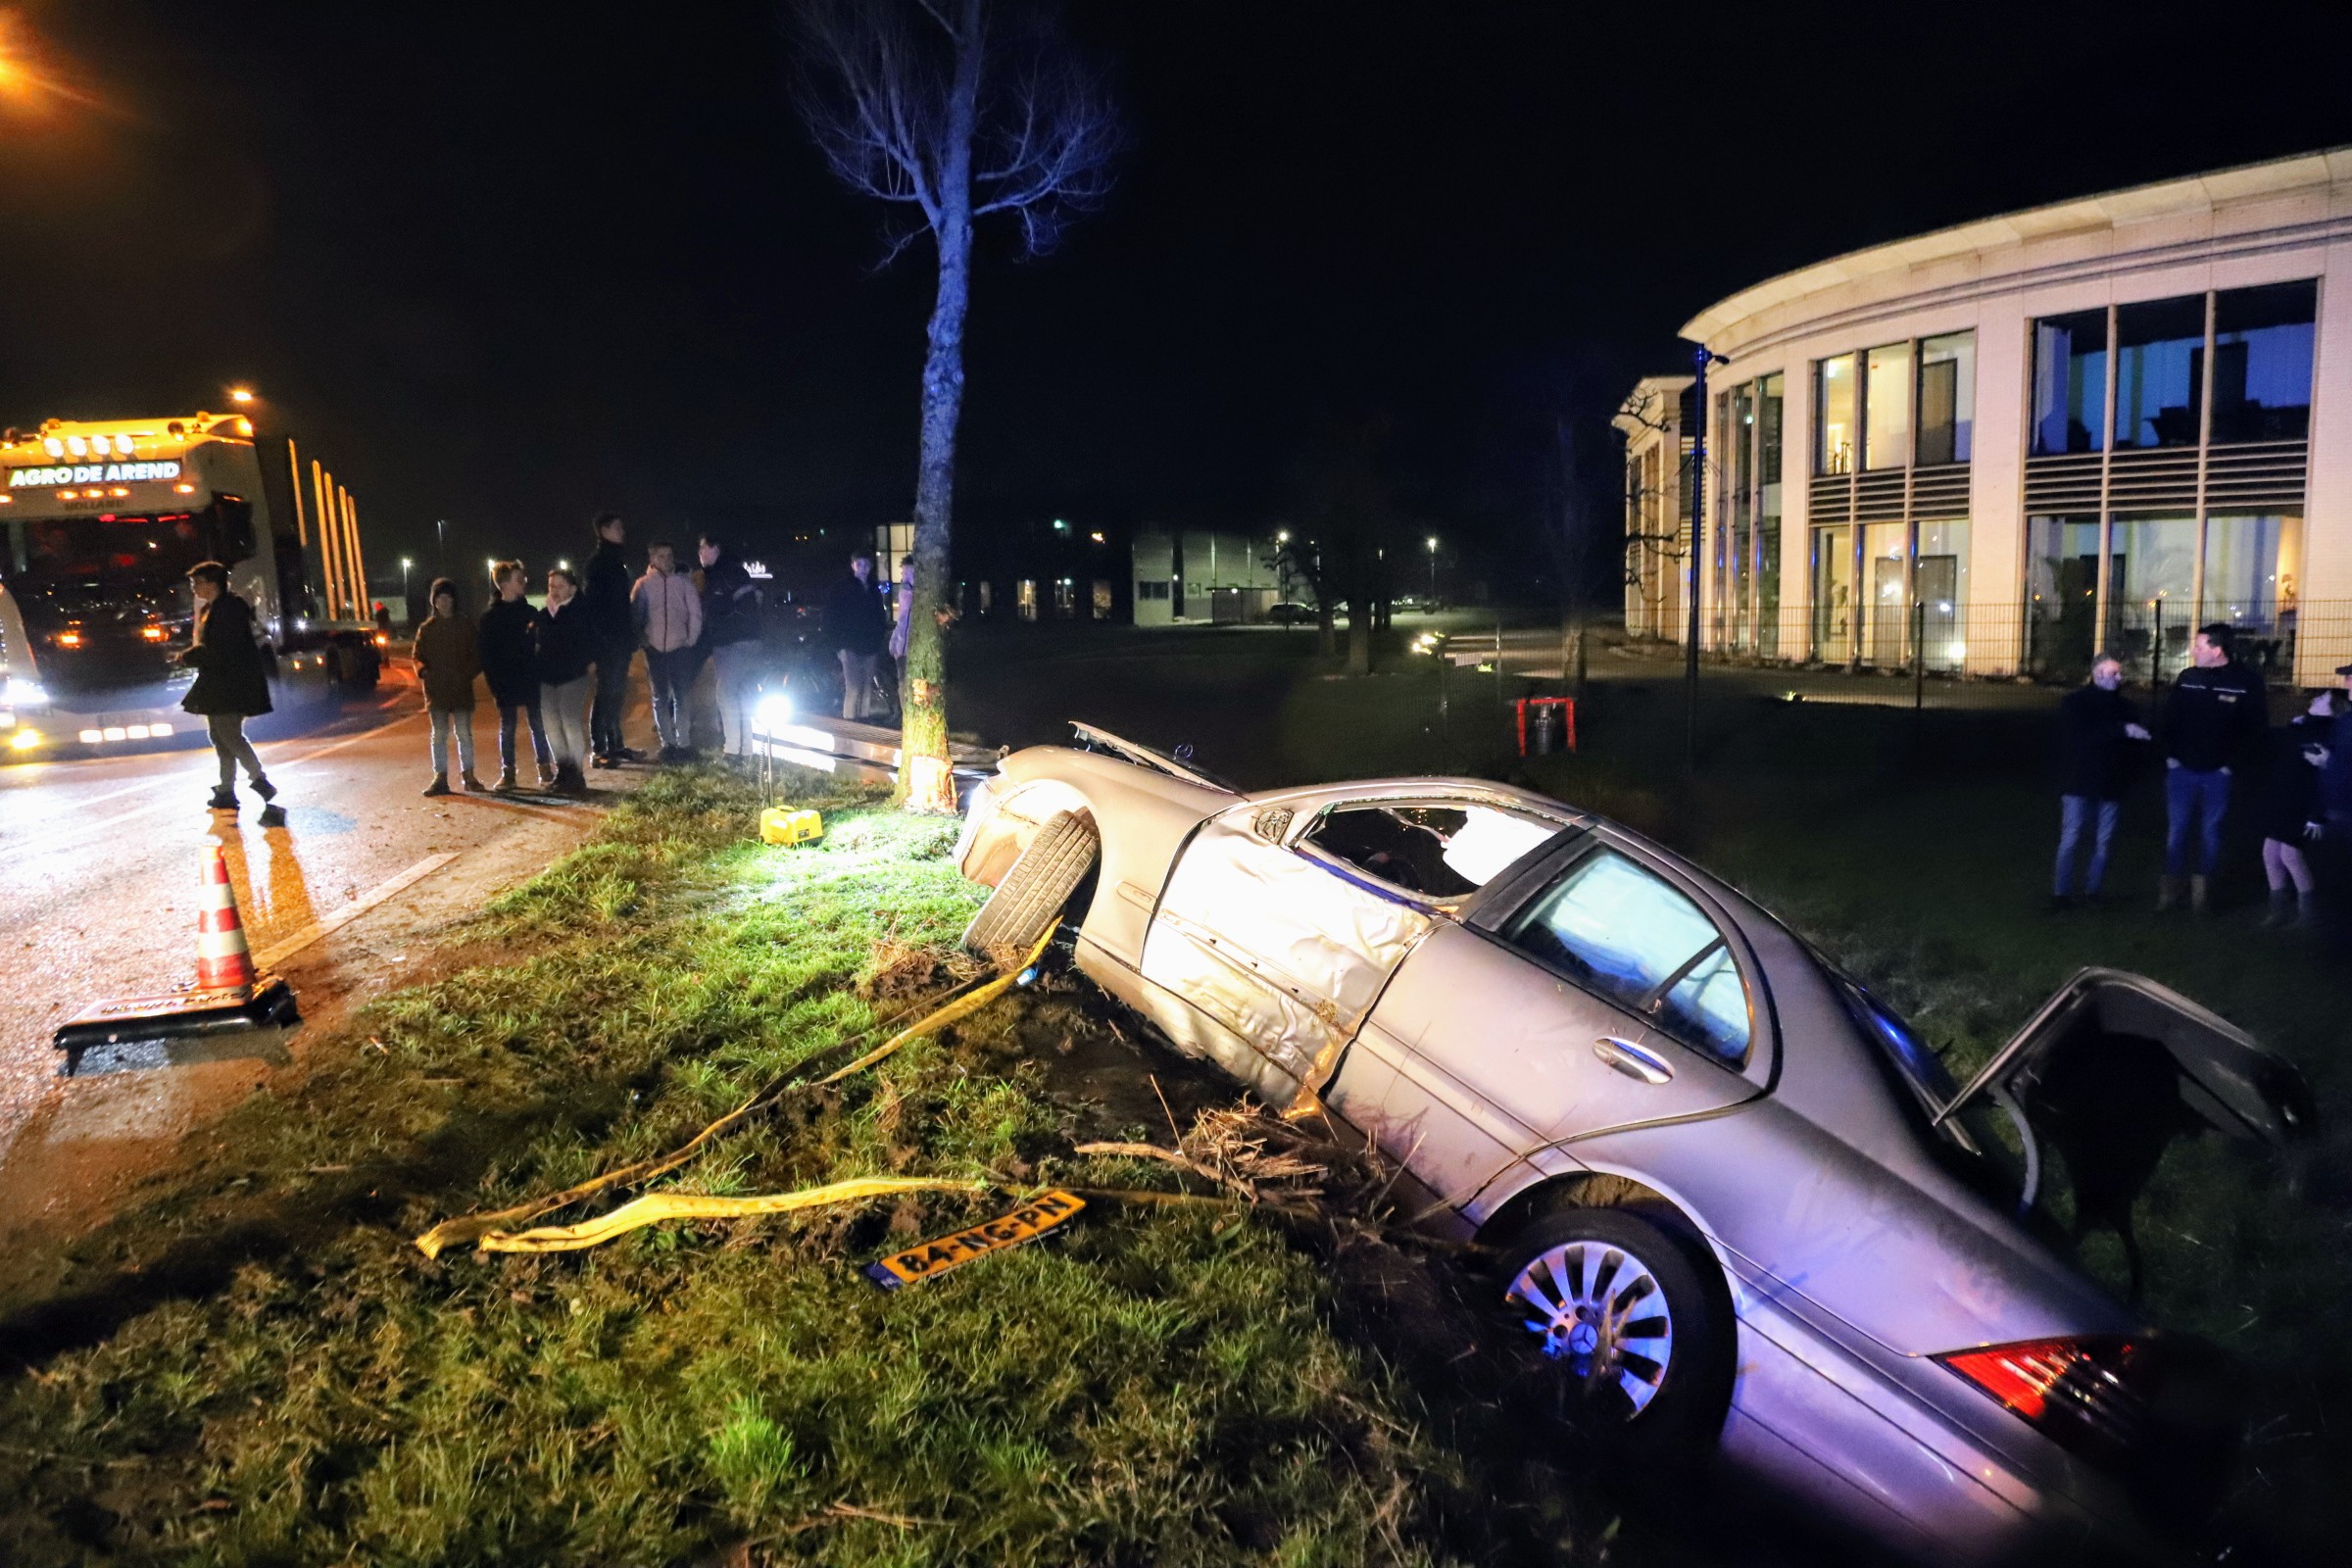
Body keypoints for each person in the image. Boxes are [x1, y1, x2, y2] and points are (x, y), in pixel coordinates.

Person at [2158, 623, 2270, 912]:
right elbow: (2170, 718)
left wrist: (2230, 765)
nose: (2193, 650)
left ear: (2217, 650)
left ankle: (2201, 894)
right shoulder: (2188, 677)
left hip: (2217, 773)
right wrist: (2170, 755)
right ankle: (2170, 891)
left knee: (2211, 831)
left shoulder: (2245, 682)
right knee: (2177, 830)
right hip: (2181, 769)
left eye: (2199, 646)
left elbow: (2255, 729)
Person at [178, 561, 279, 818]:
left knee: (229, 735)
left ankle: (259, 780)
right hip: (219, 681)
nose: (194, 588)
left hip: (231, 682)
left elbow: (223, 649)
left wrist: (189, 657)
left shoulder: (229, 609)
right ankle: (225, 791)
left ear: (212, 584)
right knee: (219, 736)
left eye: (197, 583)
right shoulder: (216, 608)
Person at [2050, 654, 2150, 908]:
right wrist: (2122, 731)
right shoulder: (2076, 703)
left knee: (2102, 841)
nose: (2120, 677)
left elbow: (2132, 749)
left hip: (2111, 782)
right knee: (2072, 838)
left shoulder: (2126, 707)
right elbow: (2081, 737)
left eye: (2119, 673)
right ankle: (2062, 893)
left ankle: (2092, 891)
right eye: (2114, 673)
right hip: (2079, 781)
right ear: (2097, 675)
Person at [2255, 691, 2333, 928]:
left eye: (2322, 700)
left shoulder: (2326, 734)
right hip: (2283, 799)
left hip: (2301, 804)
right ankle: (2278, 910)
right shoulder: (2300, 726)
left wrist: (2316, 813)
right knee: (2270, 853)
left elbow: (2323, 777)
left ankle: (2307, 914)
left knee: (2290, 854)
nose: (2315, 700)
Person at [478, 560, 555, 792]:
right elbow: (486, 655)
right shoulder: (490, 618)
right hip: (505, 682)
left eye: (524, 578)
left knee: (538, 725)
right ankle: (508, 774)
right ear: (503, 584)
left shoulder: (531, 613)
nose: (524, 582)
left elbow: (542, 646)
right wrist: (494, 685)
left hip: (531, 679)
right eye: (518, 579)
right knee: (508, 727)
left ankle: (546, 771)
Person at [632, 540, 703, 762]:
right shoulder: (642, 585)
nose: (667, 560)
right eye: (661, 556)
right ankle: (668, 744)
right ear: (652, 559)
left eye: (670, 555)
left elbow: (695, 613)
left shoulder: (684, 584)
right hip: (655, 649)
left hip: (680, 647)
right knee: (660, 697)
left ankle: (684, 744)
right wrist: (643, 641)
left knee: (682, 696)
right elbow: (636, 616)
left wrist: (690, 639)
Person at [413, 577, 483, 797]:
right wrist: (424, 671)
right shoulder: (427, 629)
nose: (443, 602)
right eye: (439, 598)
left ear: (453, 600)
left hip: (461, 689)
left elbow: (477, 655)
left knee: (464, 733)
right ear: (434, 601)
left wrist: (466, 675)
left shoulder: (465, 625)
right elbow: (417, 656)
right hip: (437, 691)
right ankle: (440, 777)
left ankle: (469, 775)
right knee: (439, 734)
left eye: (447, 597)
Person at [698, 532, 763, 760]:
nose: (700, 554)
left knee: (726, 693)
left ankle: (733, 750)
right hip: (748, 640)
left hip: (733, 642)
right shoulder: (736, 572)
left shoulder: (721, 575)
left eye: (703, 548)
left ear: (715, 549)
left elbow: (717, 611)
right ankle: (746, 749)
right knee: (742, 694)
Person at [535, 566, 597, 796]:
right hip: (547, 678)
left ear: (572, 588)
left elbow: (590, 640)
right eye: (551, 586)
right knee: (552, 727)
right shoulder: (544, 615)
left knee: (570, 723)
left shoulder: (581, 611)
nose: (555, 590)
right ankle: (563, 771)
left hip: (573, 676)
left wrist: (589, 662)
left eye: (560, 586)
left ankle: (577, 774)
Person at [582, 512, 637, 767]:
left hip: (620, 641)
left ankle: (616, 744)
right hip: (608, 644)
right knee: (605, 695)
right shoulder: (598, 564)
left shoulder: (615, 561)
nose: (622, 530)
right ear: (604, 530)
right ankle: (599, 749)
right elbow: (593, 609)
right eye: (617, 527)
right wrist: (600, 644)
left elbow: (622, 607)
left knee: (616, 694)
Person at [823, 550, 887, 720]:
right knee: (853, 686)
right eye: (859, 564)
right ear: (853, 565)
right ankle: (850, 724)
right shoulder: (841, 588)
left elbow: (879, 614)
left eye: (866, 565)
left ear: (871, 566)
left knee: (867, 686)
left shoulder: (873, 589)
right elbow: (831, 615)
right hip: (848, 643)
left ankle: (863, 720)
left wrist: (879, 634)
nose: (863, 569)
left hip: (870, 644)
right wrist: (837, 643)